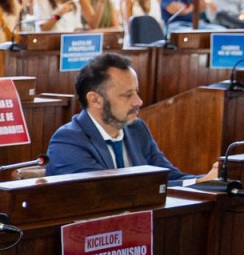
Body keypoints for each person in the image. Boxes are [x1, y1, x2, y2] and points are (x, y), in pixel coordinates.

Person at [46, 52, 218, 186]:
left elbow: (168, 177)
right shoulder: (68, 141)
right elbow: (109, 193)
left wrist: (206, 181)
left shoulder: (137, 129)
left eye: (136, 92)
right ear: (95, 100)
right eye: (127, 95)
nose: (139, 102)